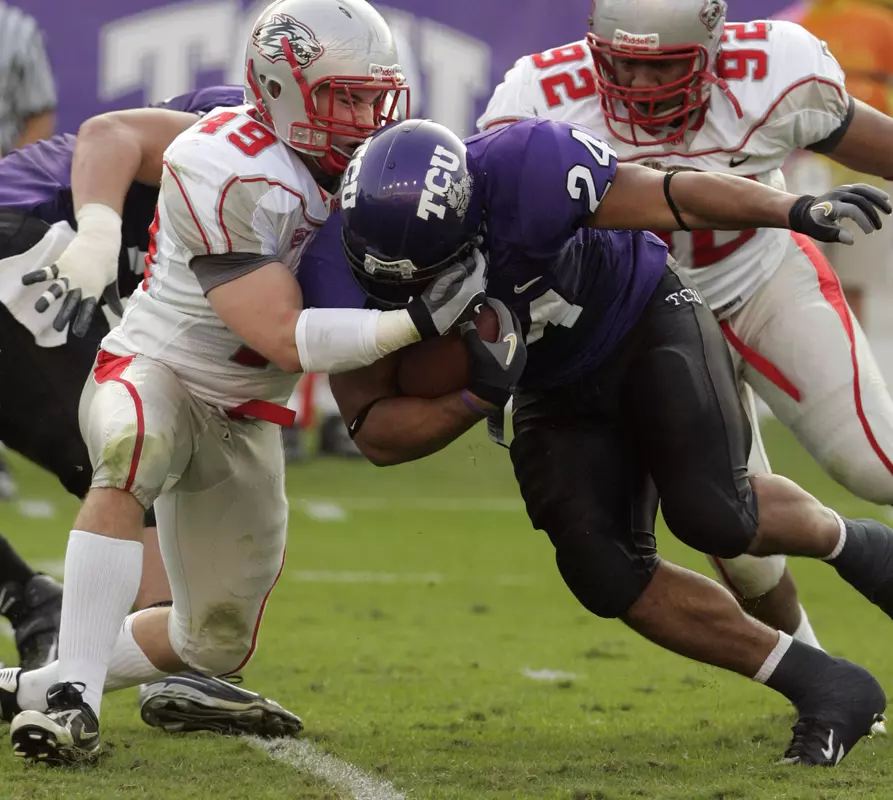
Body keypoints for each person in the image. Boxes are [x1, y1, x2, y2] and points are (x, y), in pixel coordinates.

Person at [1, 0, 486, 766]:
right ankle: (74, 699)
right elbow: (279, 332)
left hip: (243, 404)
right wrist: (414, 324)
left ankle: (33, 683)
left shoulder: (363, 169)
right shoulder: (226, 154)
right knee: (127, 449)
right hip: (99, 307)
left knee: (215, 637)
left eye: (372, 97)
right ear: (281, 89)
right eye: (343, 97)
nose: (363, 118)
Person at [328, 116, 893, 767]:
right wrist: (475, 398)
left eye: (427, 271)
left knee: (715, 513)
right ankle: (825, 684)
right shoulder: (330, 265)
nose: (410, 292)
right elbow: (373, 430)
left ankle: (857, 545)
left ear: (472, 215)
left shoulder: (527, 166)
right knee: (602, 571)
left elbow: (669, 195)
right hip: (550, 385)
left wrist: (789, 206)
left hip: (640, 317)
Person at [475, 0, 893, 652]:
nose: (638, 87)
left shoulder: (773, 71)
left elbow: (873, 142)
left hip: (760, 283)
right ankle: (823, 676)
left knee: (875, 464)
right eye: (622, 65)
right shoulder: (539, 93)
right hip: (645, 324)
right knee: (740, 543)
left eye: (661, 67)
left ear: (710, 52)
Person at [0, 84, 304, 736]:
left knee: (127, 437)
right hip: (19, 243)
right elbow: (109, 135)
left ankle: (31, 603)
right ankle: (153, 664)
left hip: (23, 250)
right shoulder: (212, 148)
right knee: (126, 441)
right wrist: (98, 230)